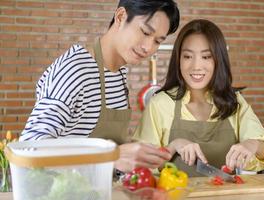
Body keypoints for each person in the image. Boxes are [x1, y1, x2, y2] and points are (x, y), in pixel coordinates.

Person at [19, 0, 180, 173]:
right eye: (145, 32)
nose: (148, 47)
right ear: (120, 17)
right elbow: (30, 148)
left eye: (157, 41)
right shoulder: (75, 70)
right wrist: (112, 156)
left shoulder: (118, 74)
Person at [133, 19, 264, 177]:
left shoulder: (234, 101)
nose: (196, 66)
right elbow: (139, 165)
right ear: (178, 60)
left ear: (218, 60)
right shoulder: (160, 104)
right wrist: (173, 146)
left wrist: (252, 144)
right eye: (187, 56)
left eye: (206, 57)